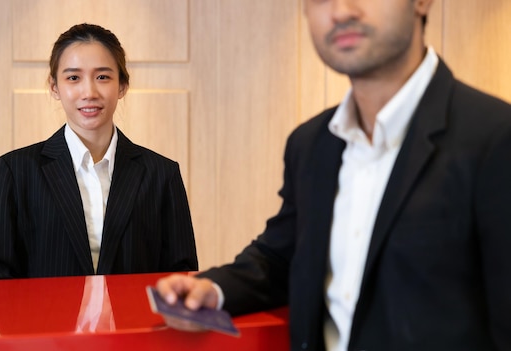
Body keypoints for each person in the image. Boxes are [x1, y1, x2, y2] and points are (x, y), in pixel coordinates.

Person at [156, 0, 511, 350]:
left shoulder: (495, 138)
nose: (341, 11)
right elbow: (282, 256)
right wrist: (215, 289)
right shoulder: (311, 144)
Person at [0, 23, 198, 280]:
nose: (89, 92)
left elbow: (182, 276)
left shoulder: (162, 174)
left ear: (122, 85)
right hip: (45, 321)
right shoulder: (16, 171)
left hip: (136, 321)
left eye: (102, 77)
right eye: (73, 78)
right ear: (54, 87)